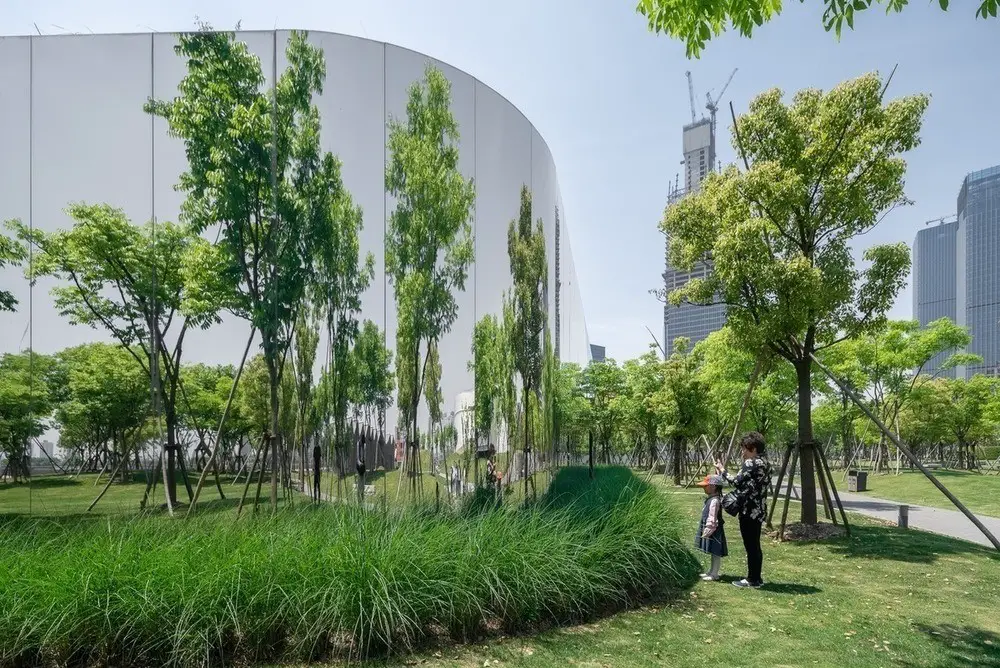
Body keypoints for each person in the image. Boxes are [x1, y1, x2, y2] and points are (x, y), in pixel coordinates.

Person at [716, 431, 772, 589]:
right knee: (755, 545)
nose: (742, 452)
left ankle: (752, 579)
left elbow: (736, 481)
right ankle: (757, 578)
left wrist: (722, 470)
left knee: (750, 545)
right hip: (760, 509)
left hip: (748, 510)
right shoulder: (766, 463)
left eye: (744, 449)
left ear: (753, 449)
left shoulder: (751, 463)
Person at [694, 473, 728, 582]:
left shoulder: (714, 501)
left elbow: (713, 516)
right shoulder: (711, 499)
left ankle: (714, 573)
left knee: (715, 551)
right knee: (713, 552)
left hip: (714, 529)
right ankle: (711, 571)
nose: (704, 488)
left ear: (713, 486)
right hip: (710, 527)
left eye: (705, 486)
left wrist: (709, 528)